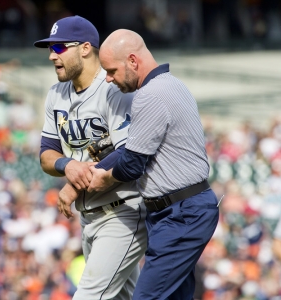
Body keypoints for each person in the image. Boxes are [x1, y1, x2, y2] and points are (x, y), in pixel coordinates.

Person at [87, 29, 220, 300]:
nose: (109, 79)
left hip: (181, 212)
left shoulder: (150, 94)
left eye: (111, 70)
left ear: (133, 61)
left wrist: (104, 177)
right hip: (179, 210)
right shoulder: (173, 84)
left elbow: (132, 165)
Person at [33, 16, 147, 300]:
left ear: (85, 48)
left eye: (59, 48)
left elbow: (128, 151)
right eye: (50, 48)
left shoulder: (114, 88)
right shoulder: (56, 94)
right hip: (89, 217)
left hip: (123, 211)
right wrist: (66, 164)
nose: (51, 55)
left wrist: (74, 185)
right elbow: (46, 154)